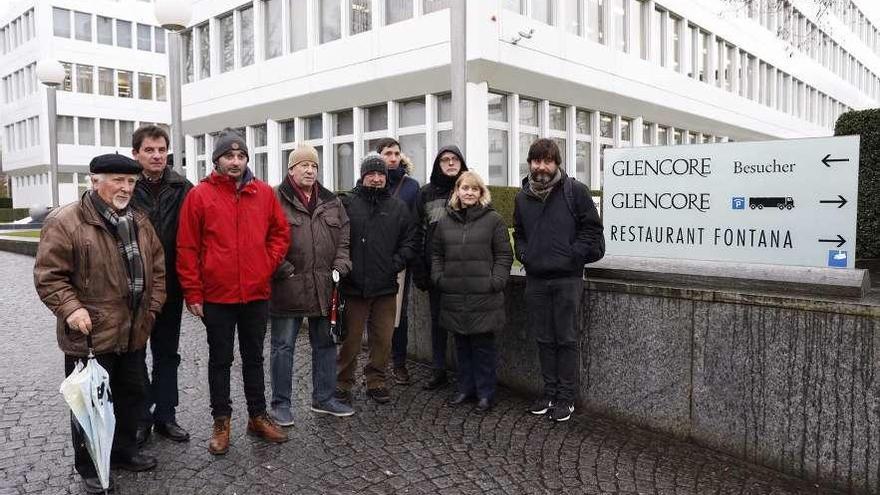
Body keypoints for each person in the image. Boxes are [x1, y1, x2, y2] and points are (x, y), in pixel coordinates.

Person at [34, 154, 165, 494]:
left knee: (130, 395)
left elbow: (158, 269)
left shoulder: (139, 220)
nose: (125, 188)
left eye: (131, 182)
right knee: (90, 404)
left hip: (134, 330)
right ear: (94, 181)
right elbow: (50, 277)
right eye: (117, 180)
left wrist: (151, 309)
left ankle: (123, 452)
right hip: (89, 334)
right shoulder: (66, 221)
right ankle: (90, 464)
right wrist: (71, 308)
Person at [177, 128, 290, 455]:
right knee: (220, 361)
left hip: (255, 293)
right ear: (217, 160)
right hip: (217, 296)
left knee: (254, 358)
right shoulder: (200, 196)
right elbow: (187, 247)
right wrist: (193, 293)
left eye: (241, 156)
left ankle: (257, 416)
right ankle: (221, 421)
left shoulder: (264, 193)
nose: (235, 161)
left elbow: (280, 234)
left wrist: (265, 264)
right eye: (229, 156)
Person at [513, 138, 605, 422]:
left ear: (556, 163)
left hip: (567, 279)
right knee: (543, 338)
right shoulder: (522, 195)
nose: (541, 167)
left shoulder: (574, 191)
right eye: (536, 161)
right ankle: (549, 392)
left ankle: (566, 398)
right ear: (530, 163)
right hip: (537, 279)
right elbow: (519, 232)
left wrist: (571, 256)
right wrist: (525, 254)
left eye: (547, 161)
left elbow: (592, 230)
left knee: (565, 339)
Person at [269, 145, 354, 424]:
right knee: (283, 347)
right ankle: (281, 404)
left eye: (314, 166)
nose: (310, 170)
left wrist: (341, 266)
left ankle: (324, 399)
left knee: (326, 344)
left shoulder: (332, 201)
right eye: (304, 165)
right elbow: (263, 239)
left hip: (325, 287)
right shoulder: (275, 199)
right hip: (288, 286)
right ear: (291, 170)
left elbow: (344, 238)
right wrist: (284, 269)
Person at [335, 153, 417, 405]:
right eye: (371, 173)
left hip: (385, 286)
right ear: (363, 176)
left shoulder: (397, 207)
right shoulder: (347, 204)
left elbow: (409, 240)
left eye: (381, 174)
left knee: (382, 339)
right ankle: (341, 383)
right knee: (351, 339)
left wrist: (394, 265)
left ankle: (376, 381)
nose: (377, 178)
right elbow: (337, 239)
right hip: (354, 286)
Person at [130, 124, 193, 445]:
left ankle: (166, 416)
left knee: (167, 354)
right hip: (136, 289)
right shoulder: (126, 186)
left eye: (161, 150)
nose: (157, 156)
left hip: (171, 287)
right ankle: (141, 417)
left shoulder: (182, 186)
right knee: (136, 353)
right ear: (136, 153)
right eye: (149, 150)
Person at [431, 171, 512, 412]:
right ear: (457, 190)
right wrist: (439, 278)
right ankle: (465, 388)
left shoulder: (493, 220)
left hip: (484, 296)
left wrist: (496, 281)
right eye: (464, 188)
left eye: (474, 189)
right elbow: (436, 253)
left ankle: (486, 393)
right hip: (454, 294)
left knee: (483, 347)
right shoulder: (444, 220)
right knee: (461, 345)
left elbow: (504, 255)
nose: (468, 192)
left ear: (481, 193)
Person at [412, 145, 468, 390]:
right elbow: (417, 232)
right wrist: (421, 271)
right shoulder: (426, 193)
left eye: (455, 159)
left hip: (465, 271)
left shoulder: (469, 189)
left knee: (464, 325)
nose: (450, 163)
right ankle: (438, 370)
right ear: (438, 164)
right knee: (437, 323)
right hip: (436, 271)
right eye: (445, 159)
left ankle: (466, 375)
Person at [374, 138, 421, 386]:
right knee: (373, 314)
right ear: (378, 156)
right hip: (372, 260)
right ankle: (376, 363)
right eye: (387, 153)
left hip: (400, 261)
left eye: (396, 153)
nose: (393, 158)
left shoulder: (412, 187)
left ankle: (399, 362)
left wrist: (404, 255)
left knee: (398, 315)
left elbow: (415, 225)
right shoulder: (369, 182)